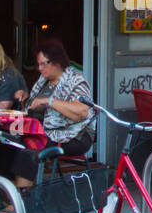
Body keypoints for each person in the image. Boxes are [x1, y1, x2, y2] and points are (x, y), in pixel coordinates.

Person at [7, 40, 96, 194]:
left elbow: (81, 112)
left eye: (43, 64)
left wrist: (50, 102)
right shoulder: (44, 81)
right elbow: (36, 103)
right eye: (38, 65)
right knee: (6, 139)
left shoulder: (75, 81)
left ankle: (22, 199)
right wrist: (26, 96)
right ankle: (7, 192)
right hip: (42, 130)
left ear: (56, 61)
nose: (40, 69)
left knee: (28, 150)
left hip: (72, 135)